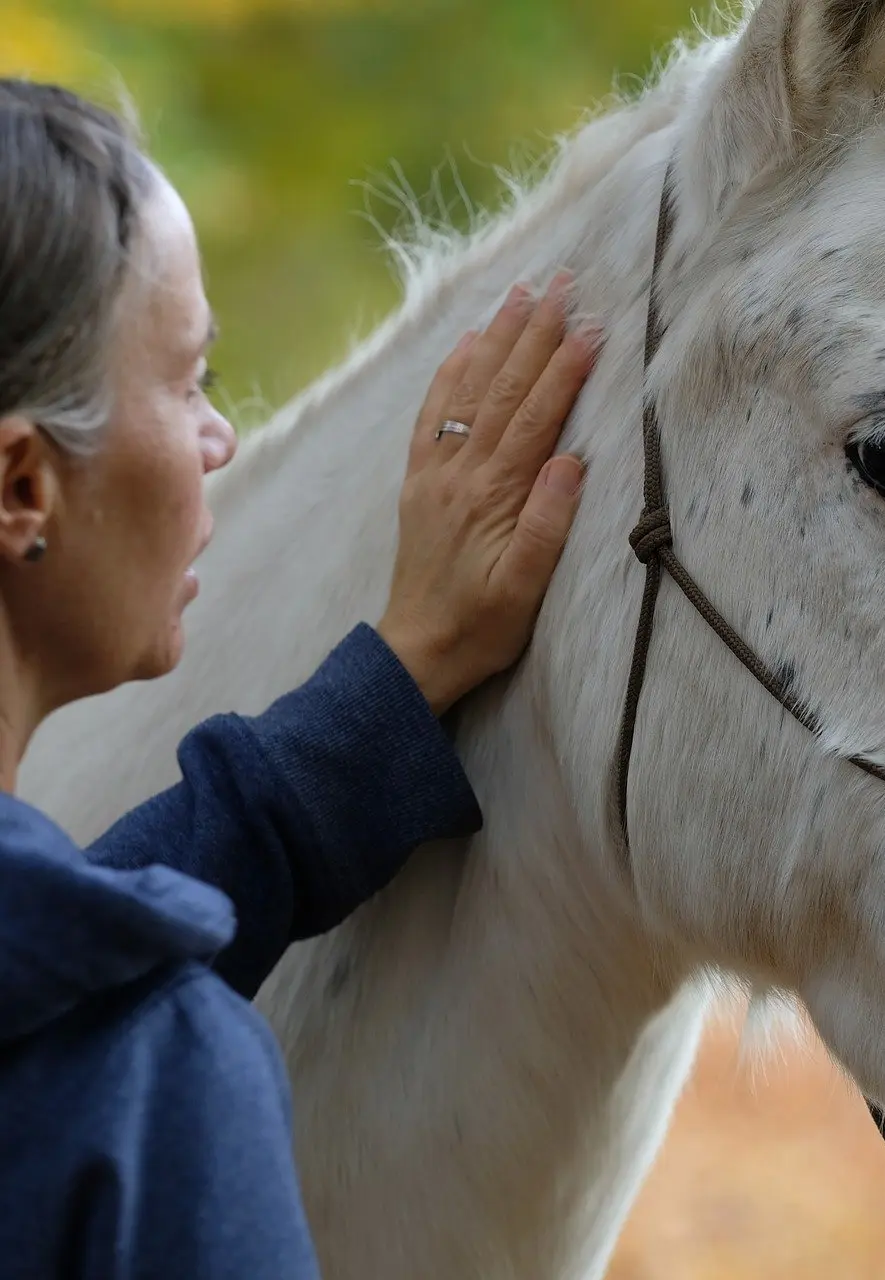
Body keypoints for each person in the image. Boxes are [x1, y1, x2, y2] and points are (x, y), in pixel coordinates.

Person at [0, 80, 598, 1276]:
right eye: (189, 380)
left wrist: (395, 680)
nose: (219, 439)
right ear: (22, 487)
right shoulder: (160, 1091)